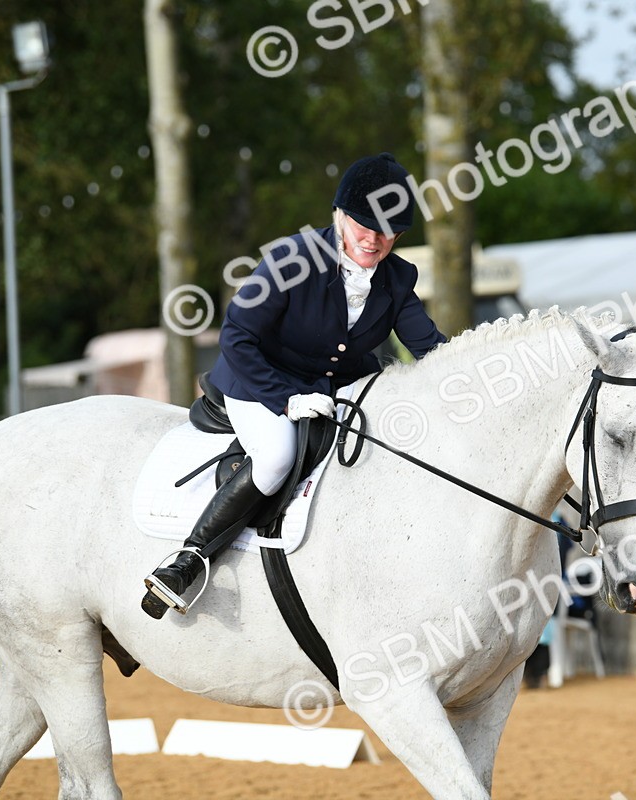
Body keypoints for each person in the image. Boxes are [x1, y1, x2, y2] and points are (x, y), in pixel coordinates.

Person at [142, 152, 447, 619]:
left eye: (387, 231)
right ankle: (189, 559)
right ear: (339, 215)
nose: (373, 239)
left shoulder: (399, 276)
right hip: (258, 381)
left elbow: (429, 347)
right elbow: (237, 336)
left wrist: (478, 371)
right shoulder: (291, 259)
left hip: (331, 388)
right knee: (277, 455)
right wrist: (285, 400)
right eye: (364, 224)